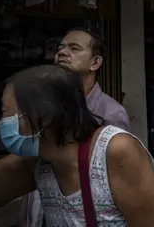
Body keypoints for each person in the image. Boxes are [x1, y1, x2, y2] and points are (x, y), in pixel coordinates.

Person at [0, 65, 154, 226]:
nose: (2, 122)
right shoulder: (38, 162)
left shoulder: (114, 152)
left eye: (6, 113)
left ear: (45, 116)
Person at [20, 27, 130, 227]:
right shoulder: (45, 109)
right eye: (60, 48)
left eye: (74, 48)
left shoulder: (111, 114)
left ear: (95, 63)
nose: (62, 52)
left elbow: (117, 181)